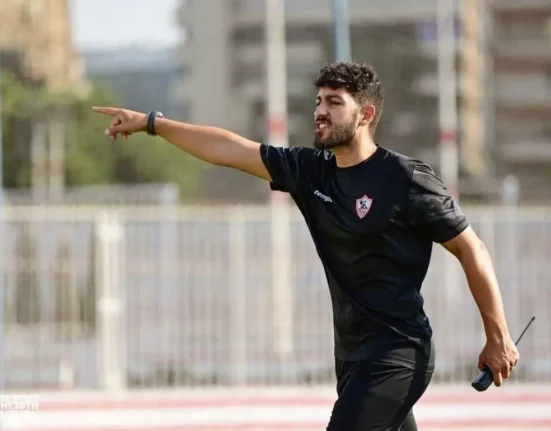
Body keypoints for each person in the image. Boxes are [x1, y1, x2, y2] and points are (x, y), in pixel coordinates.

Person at [93, 62, 520, 431]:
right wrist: (153, 123)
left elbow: (472, 249)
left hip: (398, 355)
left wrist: (497, 335)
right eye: (318, 101)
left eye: (334, 102)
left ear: (366, 114)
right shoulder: (311, 171)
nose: (319, 111)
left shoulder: (406, 179)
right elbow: (229, 149)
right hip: (351, 357)